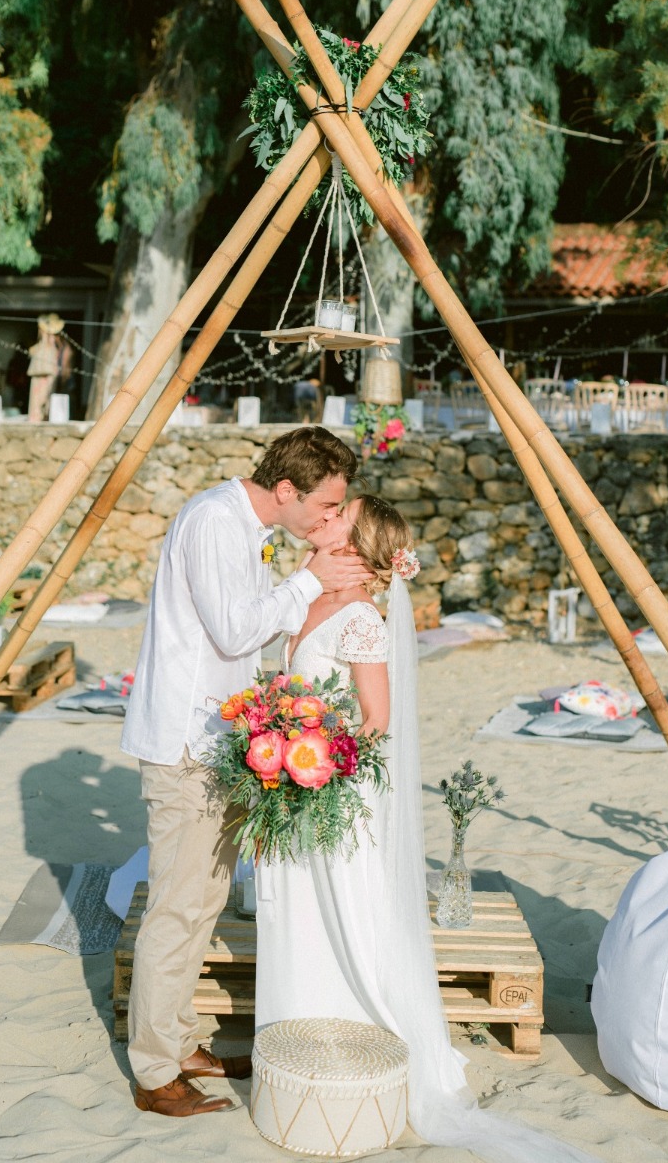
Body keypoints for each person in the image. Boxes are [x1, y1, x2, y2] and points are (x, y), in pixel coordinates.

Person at [256, 494, 600, 1163]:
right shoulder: (305, 600)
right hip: (293, 783)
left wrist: (314, 761)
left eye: (337, 518)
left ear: (356, 549)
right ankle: (297, 1030)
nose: (322, 520)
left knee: (343, 915)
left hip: (332, 795)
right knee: (296, 916)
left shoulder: (360, 619)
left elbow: (376, 724)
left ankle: (358, 1033)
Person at [121, 427, 371, 1119]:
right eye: (323, 506)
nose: (327, 519)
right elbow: (235, 631)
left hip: (218, 736)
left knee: (202, 903)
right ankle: (152, 1071)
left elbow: (249, 633)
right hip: (183, 745)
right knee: (177, 909)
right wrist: (312, 580)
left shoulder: (247, 527)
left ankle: (178, 1041)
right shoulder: (212, 522)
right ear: (286, 490)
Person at [27, 314, 73, 422]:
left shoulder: (58, 343)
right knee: (38, 401)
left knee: (47, 400)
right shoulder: (46, 342)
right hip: (43, 372)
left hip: (49, 372)